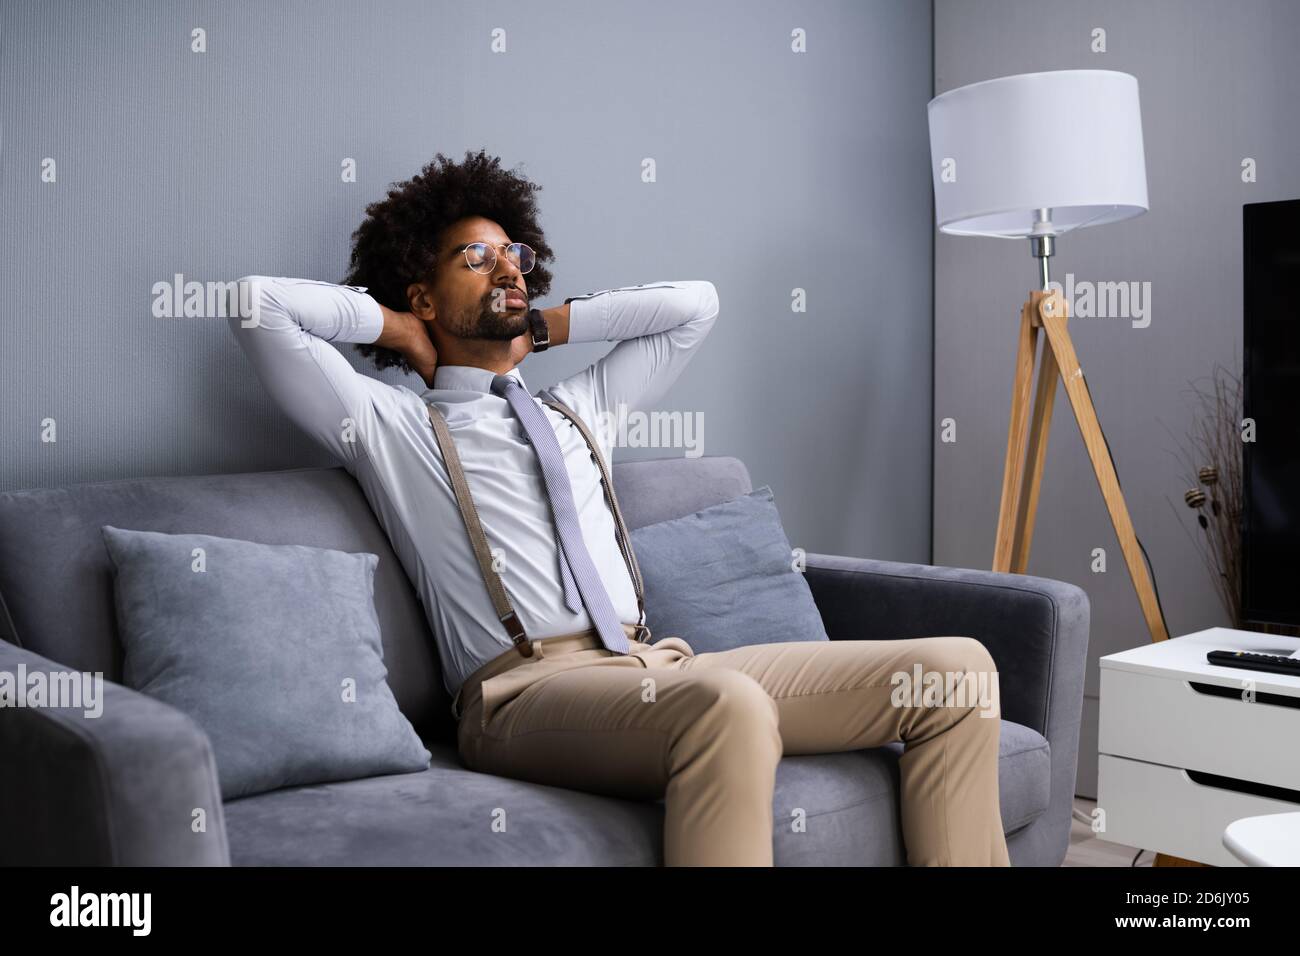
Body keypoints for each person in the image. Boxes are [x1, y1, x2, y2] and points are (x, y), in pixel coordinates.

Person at [226, 148, 1010, 867]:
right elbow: (258, 306)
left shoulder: (581, 408)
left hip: (657, 666)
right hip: (523, 697)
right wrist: (399, 328)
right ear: (424, 291)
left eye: (515, 255)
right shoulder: (391, 425)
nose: (506, 268)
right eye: (476, 256)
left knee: (956, 673)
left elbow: (695, 306)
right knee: (726, 703)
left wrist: (548, 322)